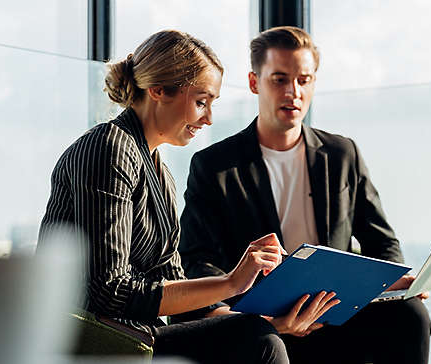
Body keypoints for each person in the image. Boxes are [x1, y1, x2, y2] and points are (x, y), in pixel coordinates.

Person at [37, 30, 340, 364]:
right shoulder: (109, 148)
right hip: (95, 340)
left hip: (139, 336)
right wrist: (230, 283)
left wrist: (264, 320)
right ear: (158, 91)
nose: (208, 118)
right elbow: (108, 293)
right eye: (201, 102)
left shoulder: (158, 171)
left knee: (258, 333)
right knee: (257, 342)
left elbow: (175, 288)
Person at [178, 26, 431, 364]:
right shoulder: (214, 165)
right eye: (279, 79)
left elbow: (381, 240)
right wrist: (239, 312)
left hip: (336, 313)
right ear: (254, 83)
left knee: (411, 315)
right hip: (267, 323)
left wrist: (393, 279)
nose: (293, 92)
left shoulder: (343, 154)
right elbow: (199, 258)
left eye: (304, 80)